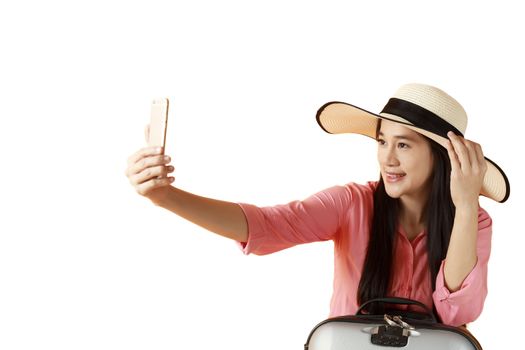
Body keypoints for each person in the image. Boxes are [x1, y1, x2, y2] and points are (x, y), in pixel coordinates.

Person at [125, 83, 510, 327]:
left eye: (404, 144)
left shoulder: (473, 220)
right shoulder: (351, 203)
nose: (387, 158)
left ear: (442, 157)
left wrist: (463, 205)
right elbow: (267, 224)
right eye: (381, 141)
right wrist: (166, 196)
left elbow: (458, 314)